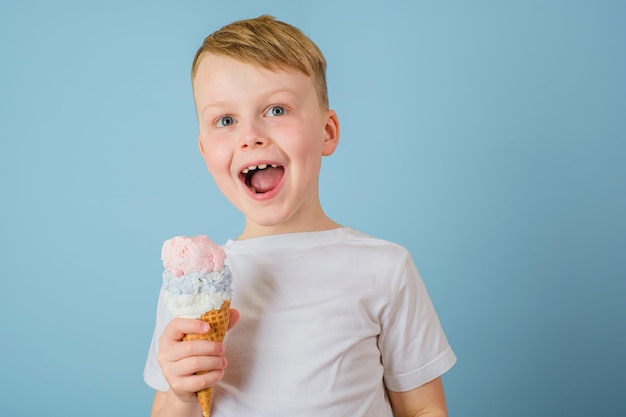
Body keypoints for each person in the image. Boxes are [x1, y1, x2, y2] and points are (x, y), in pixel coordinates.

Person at [144, 15, 456, 417]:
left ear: (327, 132)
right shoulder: (187, 293)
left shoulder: (386, 267)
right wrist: (181, 395)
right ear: (205, 151)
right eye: (226, 120)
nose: (250, 135)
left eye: (276, 109)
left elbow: (422, 409)